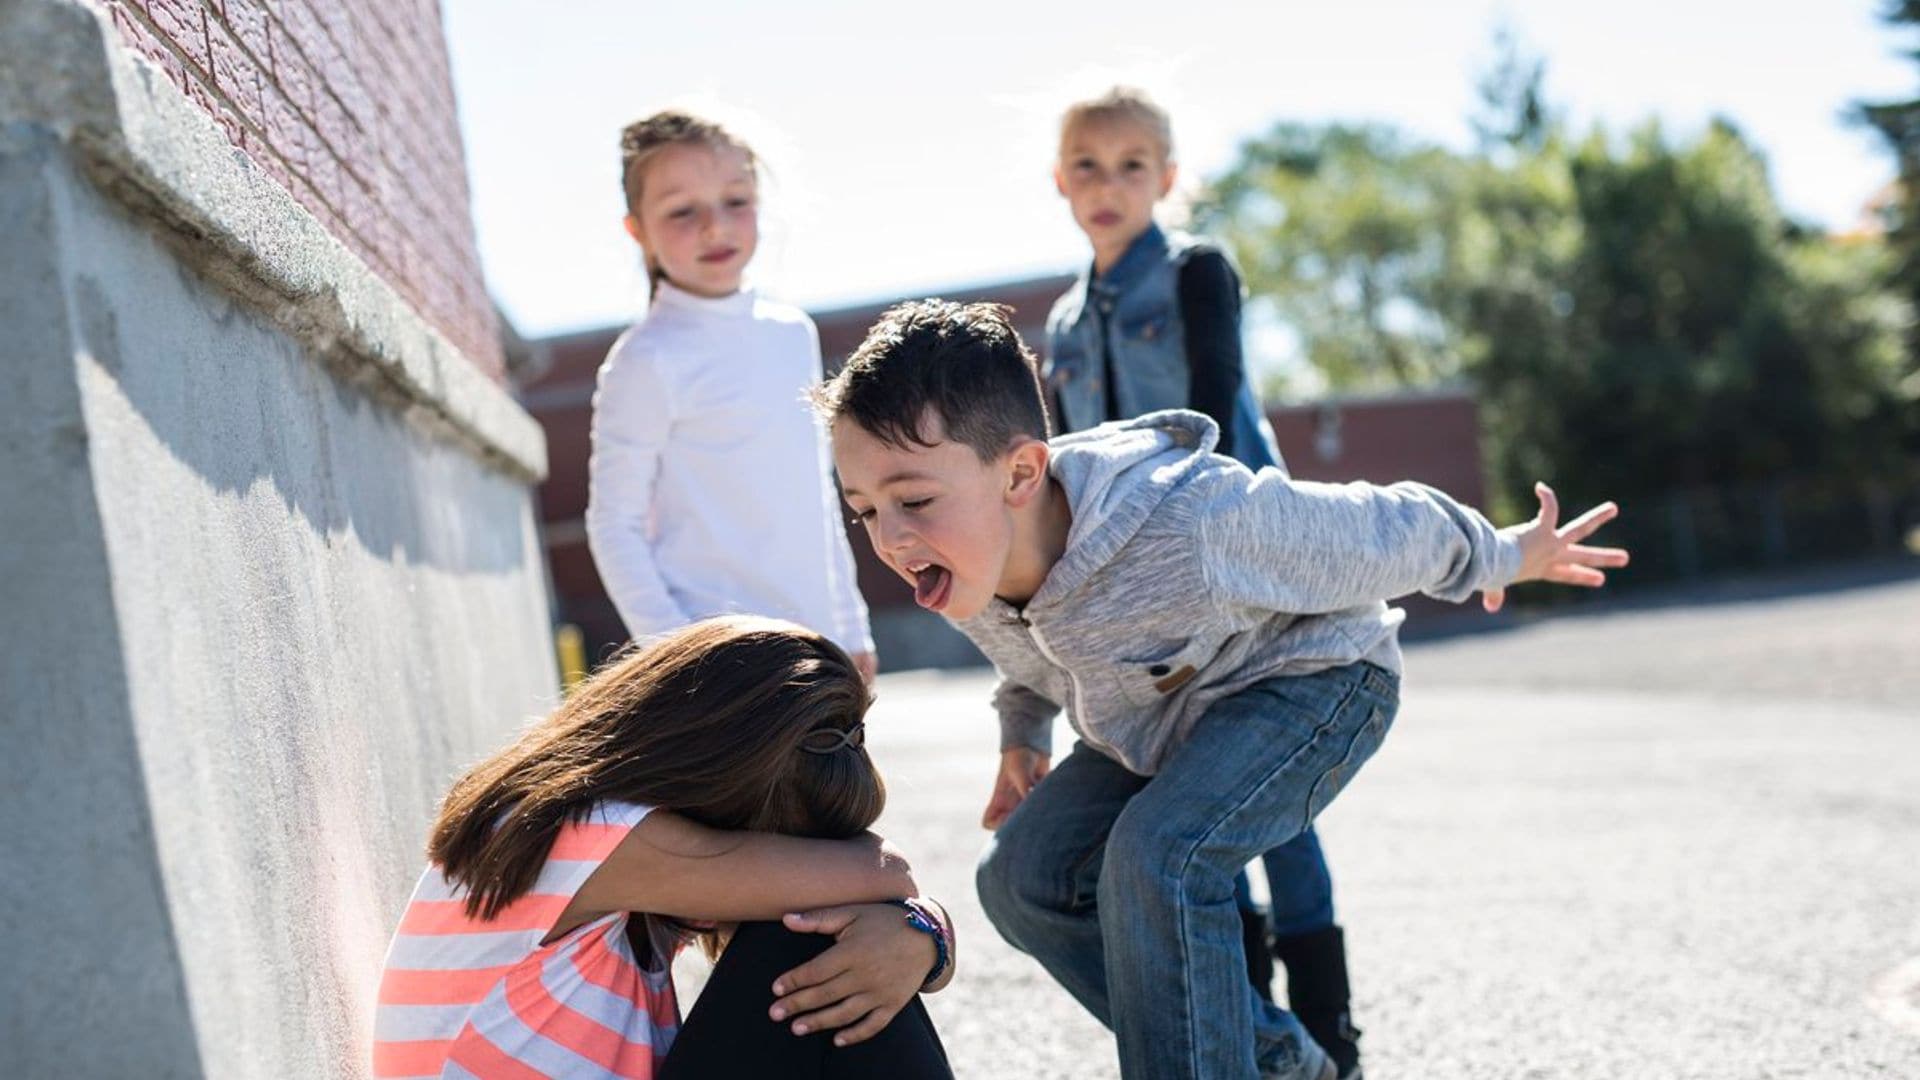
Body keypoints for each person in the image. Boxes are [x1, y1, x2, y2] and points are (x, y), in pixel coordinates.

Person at [815, 300, 1627, 1080]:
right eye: (864, 511)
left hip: (1314, 684)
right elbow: (1028, 657)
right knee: (1021, 878)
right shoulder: (966, 560)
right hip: (1162, 717)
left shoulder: (1192, 522)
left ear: (1021, 472)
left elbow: (1380, 527)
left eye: (913, 498)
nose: (890, 537)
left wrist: (1504, 554)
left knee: (1157, 858)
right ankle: (1269, 1059)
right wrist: (1021, 732)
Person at [1041, 85, 1350, 1069]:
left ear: (1167, 179)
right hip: (1138, 600)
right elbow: (1065, 463)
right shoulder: (1060, 323)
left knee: (1275, 808)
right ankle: (1258, 1029)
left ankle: (1329, 1034)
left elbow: (1217, 402)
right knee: (1196, 806)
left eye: (1133, 164)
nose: (1109, 183)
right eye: (1088, 164)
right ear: (1060, 180)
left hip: (1243, 570)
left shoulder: (1194, 274)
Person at [372, 616, 956, 1079]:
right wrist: (919, 926)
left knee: (835, 942)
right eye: (774, 846)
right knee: (804, 936)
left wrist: (919, 938)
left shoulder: (606, 850)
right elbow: (887, 873)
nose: (784, 868)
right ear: (717, 782)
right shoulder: (586, 831)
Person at [587, 110, 876, 681]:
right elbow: (612, 524)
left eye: (735, 201)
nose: (715, 227)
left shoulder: (793, 333)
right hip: (719, 667)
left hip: (818, 649)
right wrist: (678, 653)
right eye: (681, 211)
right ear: (637, 230)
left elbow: (818, 496)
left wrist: (851, 626)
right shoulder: (646, 359)